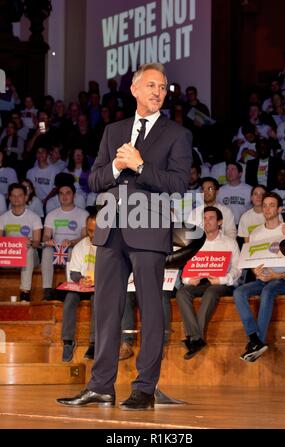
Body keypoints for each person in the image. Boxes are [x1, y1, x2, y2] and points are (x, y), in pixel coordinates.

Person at [57, 62, 192, 410]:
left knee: (151, 310)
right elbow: (95, 180)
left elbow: (178, 184)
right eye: (150, 85)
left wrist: (141, 166)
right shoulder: (113, 130)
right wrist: (118, 166)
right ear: (134, 90)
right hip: (110, 228)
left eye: (162, 87)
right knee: (104, 311)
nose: (157, 92)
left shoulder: (177, 134)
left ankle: (144, 388)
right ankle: (101, 385)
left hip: (148, 229)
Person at [234, 192, 285, 362]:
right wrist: (256, 271)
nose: (267, 208)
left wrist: (279, 274)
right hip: (262, 280)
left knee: (268, 291)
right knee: (239, 292)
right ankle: (254, 339)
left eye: (272, 205)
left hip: (284, 279)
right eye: (265, 205)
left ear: (280, 209)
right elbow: (252, 261)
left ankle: (258, 342)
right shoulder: (256, 233)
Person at [176, 206, 241, 359]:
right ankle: (196, 337)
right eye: (204, 218)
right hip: (199, 283)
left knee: (211, 292)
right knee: (182, 292)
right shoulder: (195, 243)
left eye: (211, 218)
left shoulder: (230, 243)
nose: (207, 221)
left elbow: (238, 269)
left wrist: (222, 279)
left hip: (221, 284)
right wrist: (188, 279)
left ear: (220, 222)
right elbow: (186, 267)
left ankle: (194, 338)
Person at [41, 183, 89, 300]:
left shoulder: (83, 214)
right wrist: (49, 241)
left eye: (68, 193)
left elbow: (85, 237)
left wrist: (72, 242)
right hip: (56, 250)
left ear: (74, 195)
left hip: (74, 249)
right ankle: (47, 290)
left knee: (74, 250)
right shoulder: (52, 214)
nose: (64, 196)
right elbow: (46, 235)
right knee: (46, 251)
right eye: (61, 193)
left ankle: (72, 289)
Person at [61, 213, 97, 362]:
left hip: (100, 286)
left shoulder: (110, 247)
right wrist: (81, 279)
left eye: (96, 231)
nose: (92, 234)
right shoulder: (80, 246)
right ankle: (68, 342)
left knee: (97, 300)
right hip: (82, 285)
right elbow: (74, 272)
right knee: (70, 299)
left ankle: (94, 342)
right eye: (89, 230)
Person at [0, 183, 42, 302]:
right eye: (13, 195)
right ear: (9, 197)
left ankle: (25, 293)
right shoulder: (3, 218)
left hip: (30, 257)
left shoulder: (34, 217)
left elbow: (37, 243)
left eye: (19, 195)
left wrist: (30, 242)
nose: (16, 198)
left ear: (26, 197)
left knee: (28, 250)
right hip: (10, 257)